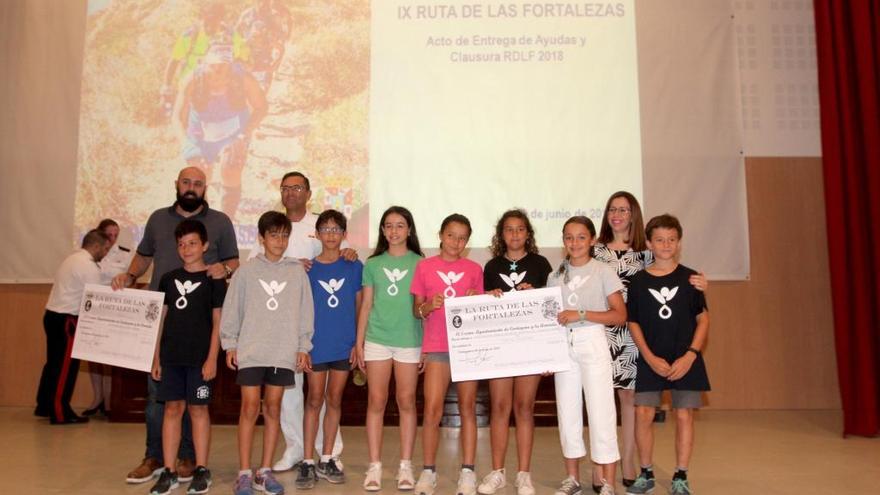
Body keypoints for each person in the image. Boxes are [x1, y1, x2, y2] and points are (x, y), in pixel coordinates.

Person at [113, 166, 239, 485]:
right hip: (163, 321)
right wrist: (128, 277)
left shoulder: (221, 222)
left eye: (198, 183)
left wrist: (221, 269)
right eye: (186, 182)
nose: (191, 187)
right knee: (160, 399)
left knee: (195, 405)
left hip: (199, 330)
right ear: (177, 185)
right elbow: (142, 257)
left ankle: (189, 458)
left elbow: (233, 263)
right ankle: (155, 456)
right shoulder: (157, 219)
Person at [593, 192, 706, 492]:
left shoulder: (645, 252)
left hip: (634, 340)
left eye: (624, 209)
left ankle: (631, 465)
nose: (617, 214)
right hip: (600, 334)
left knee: (632, 404)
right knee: (599, 401)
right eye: (612, 209)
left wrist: (702, 283)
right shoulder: (593, 250)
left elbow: (681, 282)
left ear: (634, 215)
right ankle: (601, 468)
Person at [253, 172, 352, 473]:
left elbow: (334, 256)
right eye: (286, 188)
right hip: (281, 322)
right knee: (289, 391)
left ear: (308, 193)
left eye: (297, 188)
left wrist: (347, 253)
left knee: (321, 394)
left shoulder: (320, 226)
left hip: (320, 322)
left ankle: (329, 450)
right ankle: (296, 448)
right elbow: (257, 268)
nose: (291, 193)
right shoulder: (273, 226)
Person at [220, 210, 314, 495]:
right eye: (274, 235)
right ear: (261, 238)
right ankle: (244, 473)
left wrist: (302, 347)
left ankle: (264, 471)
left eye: (285, 235)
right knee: (249, 408)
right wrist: (230, 343)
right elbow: (232, 308)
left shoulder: (296, 271)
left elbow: (305, 312)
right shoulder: (246, 271)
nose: (280, 241)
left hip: (282, 352)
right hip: (251, 350)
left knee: (273, 409)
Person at [625, 214, 710, 495]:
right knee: (643, 414)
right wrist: (648, 357)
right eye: (659, 240)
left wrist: (691, 355)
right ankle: (646, 472)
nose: (665, 244)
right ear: (649, 243)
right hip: (651, 359)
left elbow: (703, 319)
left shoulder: (692, 278)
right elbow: (633, 321)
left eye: (671, 240)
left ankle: (681, 475)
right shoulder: (637, 282)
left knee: (684, 415)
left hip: (685, 359)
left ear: (679, 243)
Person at [548, 216, 626, 495]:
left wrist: (581, 314)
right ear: (563, 240)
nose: (575, 242)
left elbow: (619, 315)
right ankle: (572, 479)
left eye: (581, 237)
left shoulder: (603, 271)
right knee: (567, 412)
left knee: (601, 411)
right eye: (569, 237)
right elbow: (550, 317)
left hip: (592, 340)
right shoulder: (555, 275)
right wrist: (548, 354)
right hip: (564, 346)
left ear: (592, 240)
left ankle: (608, 482)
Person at [477, 209, 553, 495]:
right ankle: (497, 472)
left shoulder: (541, 264)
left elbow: (549, 307)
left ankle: (524, 474)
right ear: (501, 235)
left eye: (520, 229)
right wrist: (489, 297)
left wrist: (534, 293)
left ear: (528, 234)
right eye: (509, 229)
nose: (515, 234)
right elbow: (482, 308)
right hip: (500, 347)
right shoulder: (491, 265)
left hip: (530, 346)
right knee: (499, 408)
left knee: (524, 408)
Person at [148, 219, 226, 495]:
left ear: (205, 245)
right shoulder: (168, 279)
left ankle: (201, 469)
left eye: (193, 243)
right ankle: (168, 471)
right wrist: (156, 358)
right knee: (172, 410)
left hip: (199, 359)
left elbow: (218, 322)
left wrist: (212, 358)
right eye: (181, 244)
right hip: (171, 357)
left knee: (198, 410)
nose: (186, 249)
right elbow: (161, 320)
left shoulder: (214, 280)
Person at [411, 214, 484, 495]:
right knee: (432, 410)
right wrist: (430, 305)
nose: (456, 241)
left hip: (466, 347)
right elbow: (416, 310)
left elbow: (481, 310)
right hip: (437, 346)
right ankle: (428, 472)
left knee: (468, 409)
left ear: (468, 241)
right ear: (441, 235)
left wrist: (474, 299)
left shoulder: (474, 268)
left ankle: (468, 471)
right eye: (451, 235)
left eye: (463, 237)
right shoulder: (424, 267)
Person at [354, 206, 425, 492]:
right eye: (388, 226)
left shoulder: (421, 263)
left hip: (410, 340)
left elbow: (423, 307)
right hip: (377, 340)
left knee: (406, 402)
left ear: (409, 230)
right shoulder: (372, 264)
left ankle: (406, 466)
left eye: (400, 225)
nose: (394, 231)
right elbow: (367, 305)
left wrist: (427, 346)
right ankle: (375, 466)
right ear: (383, 231)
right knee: (376, 402)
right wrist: (359, 343)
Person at [295, 210, 363, 490]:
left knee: (334, 400)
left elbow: (360, 307)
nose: (331, 235)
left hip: (343, 345)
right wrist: (303, 346)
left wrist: (357, 344)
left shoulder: (354, 265)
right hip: (316, 344)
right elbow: (300, 309)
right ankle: (307, 461)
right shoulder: (308, 269)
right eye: (325, 229)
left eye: (337, 230)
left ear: (345, 234)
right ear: (317, 234)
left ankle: (328, 457)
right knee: (313, 400)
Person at [177, 43, 267, 220]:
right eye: (213, 66)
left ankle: (226, 220)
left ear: (231, 65)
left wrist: (245, 134)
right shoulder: (193, 79)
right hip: (199, 133)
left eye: (223, 66)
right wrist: (186, 142)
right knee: (198, 174)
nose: (218, 71)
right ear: (205, 64)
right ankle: (201, 220)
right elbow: (177, 116)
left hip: (234, 131)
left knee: (231, 168)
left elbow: (261, 107)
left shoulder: (243, 79)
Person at [35, 229, 110, 424]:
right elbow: (97, 297)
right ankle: (60, 413)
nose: (106, 253)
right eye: (105, 248)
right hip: (66, 320)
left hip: (52, 316)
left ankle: (44, 406)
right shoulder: (88, 266)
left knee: (53, 364)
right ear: (96, 246)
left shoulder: (72, 259)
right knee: (65, 368)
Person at [82, 218, 133, 417]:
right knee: (93, 357)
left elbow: (129, 279)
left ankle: (110, 401)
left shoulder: (126, 254)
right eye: (109, 235)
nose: (112, 239)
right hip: (93, 307)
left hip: (114, 309)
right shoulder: (91, 255)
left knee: (110, 357)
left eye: (115, 235)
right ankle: (97, 399)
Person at [235, 0, 292, 91]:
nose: (263, 3)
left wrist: (276, 63)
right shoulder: (246, 14)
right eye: (260, 1)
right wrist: (243, 43)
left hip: (264, 63)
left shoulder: (275, 16)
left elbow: (281, 41)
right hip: (246, 61)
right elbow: (236, 34)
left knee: (261, 94)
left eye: (266, 1)